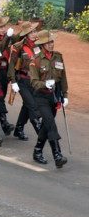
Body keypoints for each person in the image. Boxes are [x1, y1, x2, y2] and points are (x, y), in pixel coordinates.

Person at [28, 30, 68, 168]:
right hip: (41, 96)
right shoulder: (36, 61)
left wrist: (65, 94)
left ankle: (37, 150)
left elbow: (63, 77)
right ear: (42, 44)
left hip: (54, 95)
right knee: (50, 123)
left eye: (52, 41)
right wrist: (45, 84)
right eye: (48, 42)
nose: (51, 44)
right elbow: (33, 82)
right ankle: (57, 154)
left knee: (46, 125)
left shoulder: (58, 57)